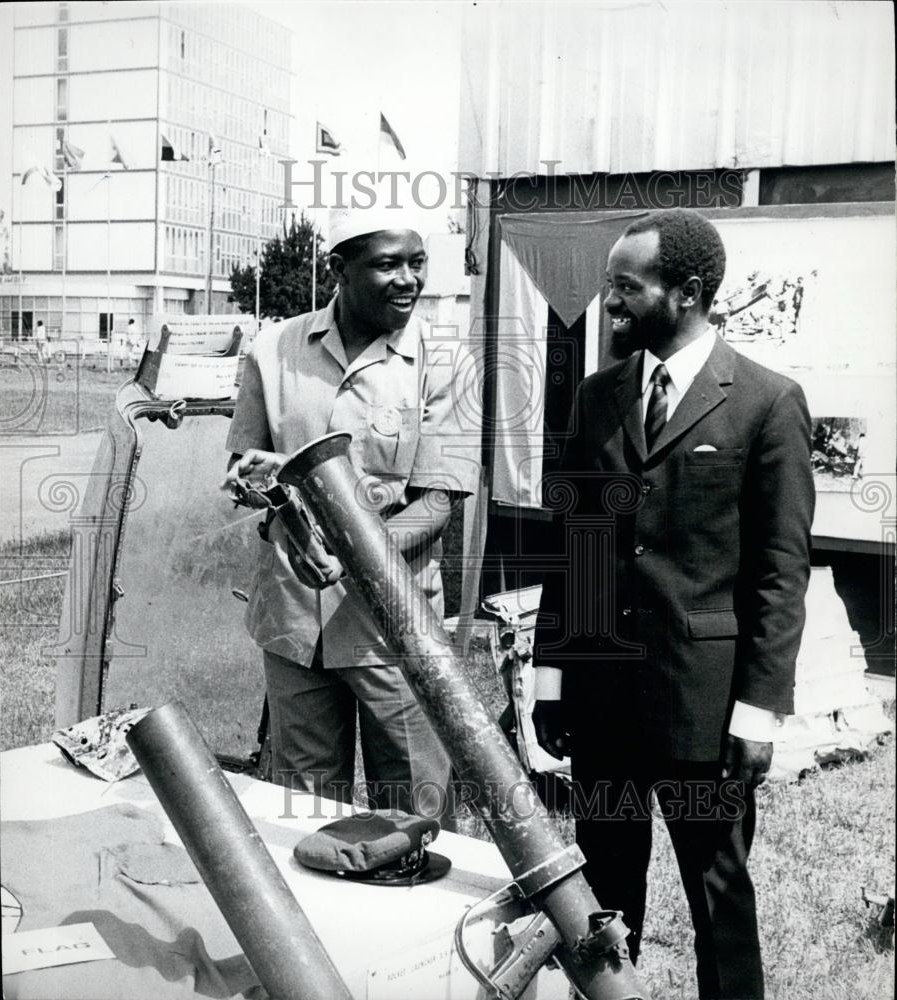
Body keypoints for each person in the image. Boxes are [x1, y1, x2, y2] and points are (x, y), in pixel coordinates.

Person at [532, 209, 814, 999]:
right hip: (605, 704)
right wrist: (554, 679)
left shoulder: (766, 403)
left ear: (687, 292)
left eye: (627, 285)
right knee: (602, 903)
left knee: (718, 901)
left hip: (705, 713)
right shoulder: (595, 398)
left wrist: (758, 714)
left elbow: (778, 574)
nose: (610, 301)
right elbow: (575, 548)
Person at [223, 207, 479, 822]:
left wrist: (356, 557)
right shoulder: (275, 349)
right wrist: (254, 482)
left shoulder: (444, 363)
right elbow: (242, 468)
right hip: (294, 625)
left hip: (394, 624)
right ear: (338, 269)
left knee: (416, 811)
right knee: (306, 809)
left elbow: (440, 501)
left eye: (417, 263)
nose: (408, 280)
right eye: (388, 264)